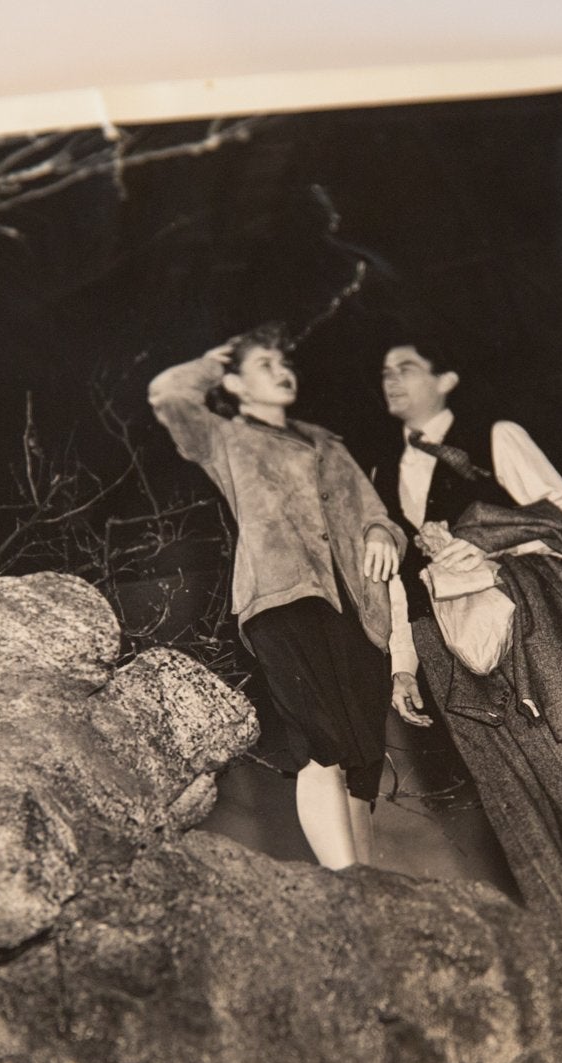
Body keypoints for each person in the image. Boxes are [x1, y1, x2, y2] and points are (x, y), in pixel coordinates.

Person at [374, 339, 562, 921]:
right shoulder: (383, 472)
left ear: (447, 376)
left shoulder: (495, 433)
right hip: (439, 645)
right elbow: (395, 582)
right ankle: (561, 956)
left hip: (523, 623)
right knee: (512, 809)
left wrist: (483, 535)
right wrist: (403, 664)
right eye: (383, 372)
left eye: (405, 367)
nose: (390, 379)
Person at [148, 324, 407, 869]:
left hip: (356, 608)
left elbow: (374, 512)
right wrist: (216, 363)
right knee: (320, 741)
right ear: (236, 385)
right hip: (283, 600)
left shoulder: (328, 444)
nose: (282, 370)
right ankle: (344, 879)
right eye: (264, 364)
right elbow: (170, 396)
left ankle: (370, 884)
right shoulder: (224, 438)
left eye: (283, 361)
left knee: (363, 756)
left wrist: (382, 533)